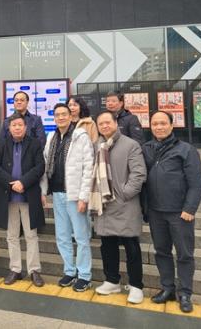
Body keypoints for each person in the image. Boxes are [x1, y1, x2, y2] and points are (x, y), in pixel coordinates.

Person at [141, 110, 201, 313]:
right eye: (155, 124)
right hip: (155, 211)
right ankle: (167, 288)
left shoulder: (186, 150)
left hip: (180, 213)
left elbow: (197, 183)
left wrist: (190, 208)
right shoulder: (146, 149)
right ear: (150, 126)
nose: (159, 127)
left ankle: (185, 293)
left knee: (184, 254)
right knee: (161, 252)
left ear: (171, 125)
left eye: (163, 123)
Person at [90, 111, 147, 304]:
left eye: (108, 122)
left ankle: (136, 285)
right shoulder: (98, 145)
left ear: (116, 123)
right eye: (101, 123)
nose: (104, 126)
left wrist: (124, 193)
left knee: (131, 246)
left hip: (125, 204)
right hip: (104, 204)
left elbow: (138, 174)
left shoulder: (130, 145)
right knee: (107, 245)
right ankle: (112, 280)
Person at [40, 103, 94, 292]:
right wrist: (43, 191)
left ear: (71, 117)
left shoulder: (81, 136)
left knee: (81, 236)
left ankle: (84, 275)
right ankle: (69, 271)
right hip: (57, 193)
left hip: (75, 195)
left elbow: (88, 168)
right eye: (57, 115)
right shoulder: (51, 137)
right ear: (54, 118)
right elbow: (45, 165)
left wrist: (84, 197)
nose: (61, 117)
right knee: (62, 236)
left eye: (64, 114)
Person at [0, 113, 46, 287]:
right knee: (12, 236)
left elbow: (40, 167)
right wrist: (11, 183)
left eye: (20, 125)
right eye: (13, 125)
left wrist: (23, 182)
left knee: (31, 235)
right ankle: (15, 269)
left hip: (29, 196)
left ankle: (34, 270)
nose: (17, 128)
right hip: (8, 197)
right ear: (9, 127)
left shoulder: (34, 144)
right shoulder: (2, 144)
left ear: (25, 127)